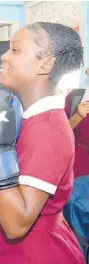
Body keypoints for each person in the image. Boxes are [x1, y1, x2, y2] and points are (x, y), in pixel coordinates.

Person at [0, 22, 85, 264]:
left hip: (36, 254)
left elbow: (17, 224)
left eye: (16, 50)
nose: (4, 56)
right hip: (14, 250)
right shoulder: (25, 115)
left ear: (46, 63)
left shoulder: (48, 128)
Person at [64, 86, 89, 260]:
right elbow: (61, 131)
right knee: (76, 230)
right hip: (78, 176)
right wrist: (78, 115)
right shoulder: (76, 98)